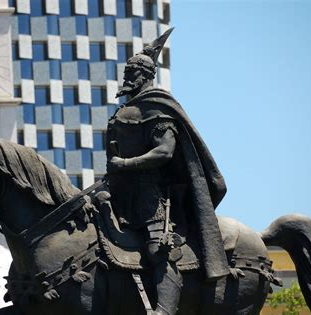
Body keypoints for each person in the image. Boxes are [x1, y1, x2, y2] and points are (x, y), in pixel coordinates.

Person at [105, 28, 229, 315]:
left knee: (157, 248)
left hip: (152, 191)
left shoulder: (157, 106)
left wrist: (125, 164)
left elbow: (164, 151)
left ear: (146, 75)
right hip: (120, 187)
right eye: (127, 72)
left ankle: (165, 309)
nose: (127, 78)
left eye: (133, 72)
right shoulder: (130, 107)